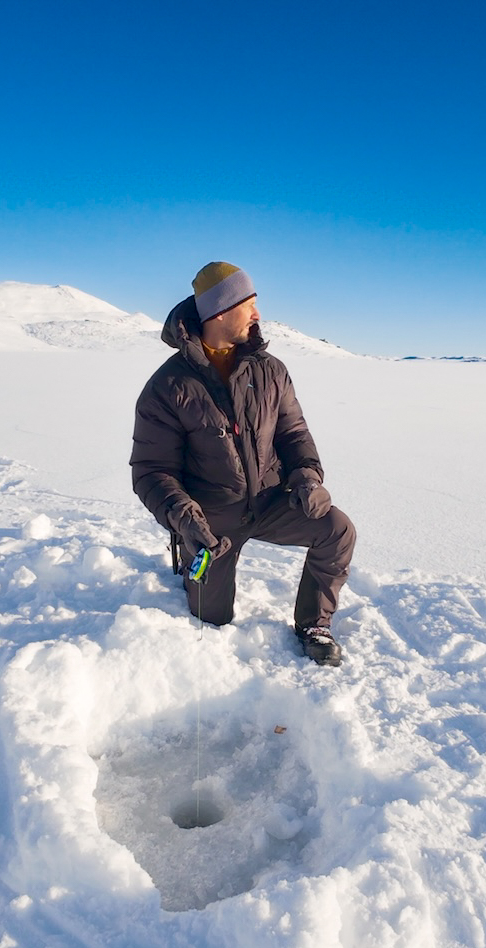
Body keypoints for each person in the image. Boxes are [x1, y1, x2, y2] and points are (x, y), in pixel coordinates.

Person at [131, 262, 356, 666]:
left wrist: (306, 477)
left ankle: (314, 623)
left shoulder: (271, 371)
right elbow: (151, 470)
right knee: (212, 618)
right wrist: (184, 519)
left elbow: (294, 436)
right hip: (211, 520)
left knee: (336, 529)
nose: (257, 314)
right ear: (219, 312)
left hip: (272, 503)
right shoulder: (167, 387)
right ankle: (190, 561)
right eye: (248, 304)